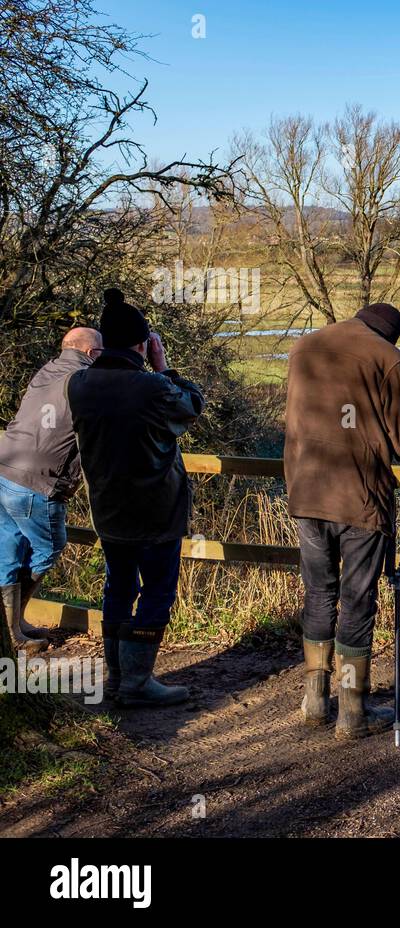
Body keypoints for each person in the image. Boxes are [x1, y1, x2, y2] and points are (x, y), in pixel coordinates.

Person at [284, 303, 400, 740]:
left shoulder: (304, 348)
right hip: (359, 498)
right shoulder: (387, 359)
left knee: (319, 593)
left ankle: (313, 702)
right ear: (390, 334)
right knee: (357, 599)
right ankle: (351, 713)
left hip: (306, 492)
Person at [68, 288, 205, 706]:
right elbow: (192, 405)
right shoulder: (151, 388)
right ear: (144, 343)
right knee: (158, 590)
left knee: (118, 587)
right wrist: (164, 368)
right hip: (155, 511)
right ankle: (137, 681)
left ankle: (115, 675)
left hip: (107, 509)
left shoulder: (79, 383)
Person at [0, 327, 103, 655]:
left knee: (8, 552)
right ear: (92, 354)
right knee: (50, 547)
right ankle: (10, 627)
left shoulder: (44, 372)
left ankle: (11, 630)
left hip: (4, 469)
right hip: (38, 481)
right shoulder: (86, 384)